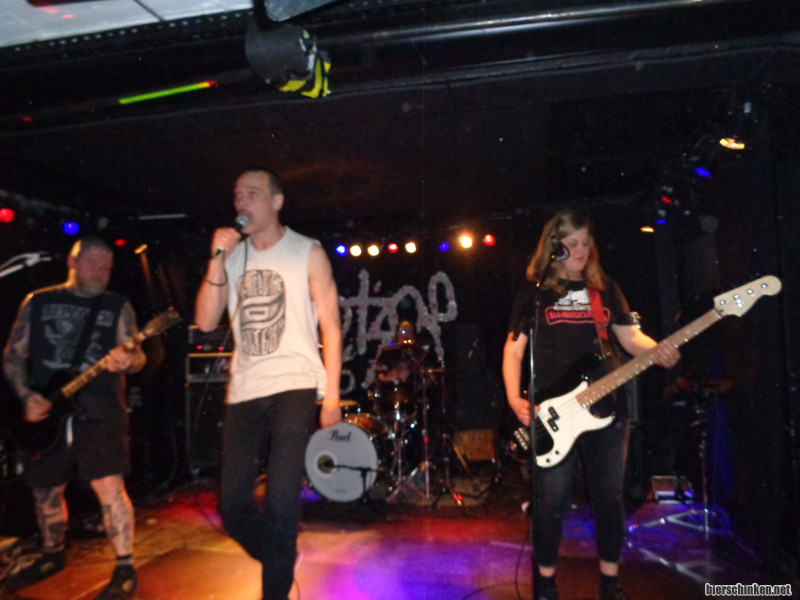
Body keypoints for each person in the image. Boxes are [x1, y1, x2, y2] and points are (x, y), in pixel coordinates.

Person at [502, 209, 680, 600]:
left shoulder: (604, 288)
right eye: (572, 244)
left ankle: (610, 583)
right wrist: (516, 397)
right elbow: (513, 351)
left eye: (586, 242)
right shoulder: (534, 294)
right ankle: (545, 585)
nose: (581, 251)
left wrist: (659, 349)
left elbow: (630, 338)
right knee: (550, 502)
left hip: (607, 407)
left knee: (609, 499)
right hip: (554, 412)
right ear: (554, 246)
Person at [194, 167, 341, 600]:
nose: (242, 202)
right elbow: (205, 321)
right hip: (245, 389)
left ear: (277, 202)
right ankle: (280, 555)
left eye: (253, 194)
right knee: (232, 507)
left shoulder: (307, 252)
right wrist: (216, 258)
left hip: (295, 383)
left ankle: (274, 587)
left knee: (280, 500)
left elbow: (331, 327)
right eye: (238, 195)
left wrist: (331, 396)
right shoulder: (231, 256)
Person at [2, 236, 146, 599]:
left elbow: (139, 356)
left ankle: (125, 566)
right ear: (72, 261)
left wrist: (129, 361)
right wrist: (26, 396)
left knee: (110, 488)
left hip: (100, 411)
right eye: (93, 263)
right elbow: (13, 355)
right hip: (48, 410)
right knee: (45, 490)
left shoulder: (117, 306)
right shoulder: (38, 302)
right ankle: (52, 554)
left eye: (106, 267)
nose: (100, 272)